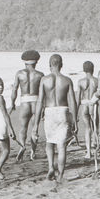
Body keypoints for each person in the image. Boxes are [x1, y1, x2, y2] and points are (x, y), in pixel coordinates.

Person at [32, 54, 78, 183]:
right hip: (63, 111)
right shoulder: (67, 80)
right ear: (61, 64)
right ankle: (60, 175)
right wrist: (74, 119)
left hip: (49, 111)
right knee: (62, 146)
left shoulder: (44, 80)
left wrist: (35, 124)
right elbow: (73, 102)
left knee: (49, 142)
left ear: (49, 65)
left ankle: (51, 167)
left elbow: (40, 101)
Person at [10, 49, 44, 162]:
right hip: (35, 102)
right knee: (35, 129)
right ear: (36, 62)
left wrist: (12, 103)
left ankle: (22, 146)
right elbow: (43, 93)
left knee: (23, 128)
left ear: (24, 62)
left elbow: (14, 89)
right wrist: (43, 107)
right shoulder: (40, 75)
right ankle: (33, 152)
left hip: (24, 102)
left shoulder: (19, 74)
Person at [76, 61, 100, 160]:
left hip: (84, 106)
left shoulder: (80, 82)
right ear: (93, 69)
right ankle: (96, 147)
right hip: (93, 105)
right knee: (95, 127)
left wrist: (75, 113)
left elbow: (77, 99)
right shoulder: (96, 81)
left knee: (87, 128)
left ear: (83, 70)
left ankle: (88, 152)